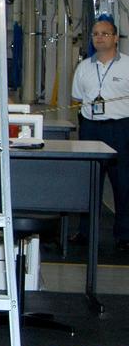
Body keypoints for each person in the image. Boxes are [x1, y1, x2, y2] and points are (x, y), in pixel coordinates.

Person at [71, 17, 129, 253]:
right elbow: (77, 97)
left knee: (123, 183)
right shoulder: (84, 67)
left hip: (120, 129)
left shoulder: (127, 65)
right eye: (96, 33)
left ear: (115, 38)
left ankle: (124, 234)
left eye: (105, 33)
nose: (99, 37)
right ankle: (85, 233)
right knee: (89, 182)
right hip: (91, 129)